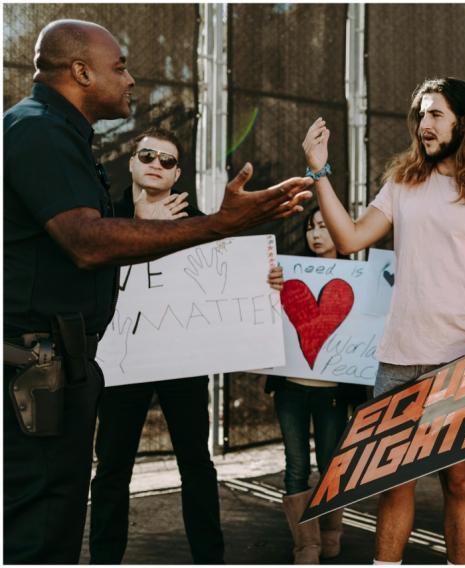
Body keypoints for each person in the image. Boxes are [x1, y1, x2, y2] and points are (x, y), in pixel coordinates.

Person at [3, 20, 312, 564]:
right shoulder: (38, 131)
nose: (130, 78)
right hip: (38, 365)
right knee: (42, 523)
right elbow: (86, 241)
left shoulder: (59, 134)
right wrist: (219, 225)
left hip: (60, 364)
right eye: (119, 66)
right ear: (80, 71)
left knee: (55, 514)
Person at [301, 77, 465, 564]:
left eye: (435, 115)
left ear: (463, 121)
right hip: (398, 358)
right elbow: (349, 238)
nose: (423, 125)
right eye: (420, 114)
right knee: (392, 483)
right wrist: (319, 172)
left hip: (464, 361)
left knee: (459, 482)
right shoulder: (404, 181)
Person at [87, 127, 286, 563]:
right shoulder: (105, 215)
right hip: (123, 361)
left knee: (196, 462)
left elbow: (228, 275)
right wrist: (140, 227)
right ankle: (104, 559)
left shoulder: (200, 221)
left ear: (177, 174)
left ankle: (208, 558)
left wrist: (264, 280)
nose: (156, 164)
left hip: (182, 362)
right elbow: (90, 263)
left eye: (168, 160)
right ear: (132, 163)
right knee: (113, 467)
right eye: (148, 156)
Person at [265, 207, 354, 564]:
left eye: (324, 227)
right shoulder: (288, 274)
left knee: (331, 462)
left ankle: (331, 534)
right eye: (310, 227)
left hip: (333, 392)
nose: (315, 234)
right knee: (296, 463)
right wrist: (271, 286)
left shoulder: (357, 277)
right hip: (290, 388)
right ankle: (307, 545)